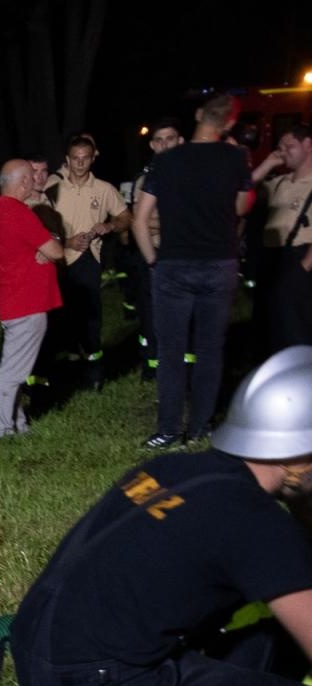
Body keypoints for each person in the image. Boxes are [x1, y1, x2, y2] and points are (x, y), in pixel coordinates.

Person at [11, 346, 312, 686]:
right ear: (299, 453)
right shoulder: (256, 524)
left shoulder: (174, 471)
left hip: (40, 663)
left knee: (265, 638)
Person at [133, 94, 256, 448]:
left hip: (173, 264)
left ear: (199, 114)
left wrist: (153, 260)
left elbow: (140, 220)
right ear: (229, 123)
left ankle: (168, 429)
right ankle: (201, 426)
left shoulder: (166, 160)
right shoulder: (235, 157)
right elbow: (242, 206)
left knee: (170, 352)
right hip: (219, 264)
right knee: (209, 350)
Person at [46, 134, 131, 388]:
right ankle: (62, 368)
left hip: (87, 259)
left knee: (91, 316)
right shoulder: (53, 186)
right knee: (58, 316)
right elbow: (39, 224)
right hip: (58, 259)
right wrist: (67, 241)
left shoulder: (104, 189)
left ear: (93, 158)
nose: (80, 164)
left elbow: (126, 217)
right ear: (67, 159)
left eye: (85, 158)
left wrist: (110, 225)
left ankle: (94, 371)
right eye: (75, 158)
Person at [0, 159, 65, 439]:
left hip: (18, 301)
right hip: (25, 303)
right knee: (12, 371)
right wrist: (48, 248)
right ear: (22, 182)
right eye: (32, 176)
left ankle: (17, 423)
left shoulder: (3, 210)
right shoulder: (17, 212)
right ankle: (0, 429)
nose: (37, 181)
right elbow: (56, 251)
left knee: (17, 368)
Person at [131, 119, 186, 378]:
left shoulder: (193, 176)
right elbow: (140, 221)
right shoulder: (145, 180)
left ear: (181, 142)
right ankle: (152, 364)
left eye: (170, 139)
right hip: (155, 253)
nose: (165, 145)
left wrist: (158, 221)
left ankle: (184, 363)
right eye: (159, 140)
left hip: (186, 256)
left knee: (185, 312)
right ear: (153, 145)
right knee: (152, 312)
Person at [252, 125, 312, 352]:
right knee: (271, 330)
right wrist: (267, 164)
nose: (283, 152)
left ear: (308, 145)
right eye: (280, 147)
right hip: (272, 260)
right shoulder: (279, 182)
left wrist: (303, 268)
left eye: (289, 146)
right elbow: (241, 191)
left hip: (299, 259)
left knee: (297, 332)